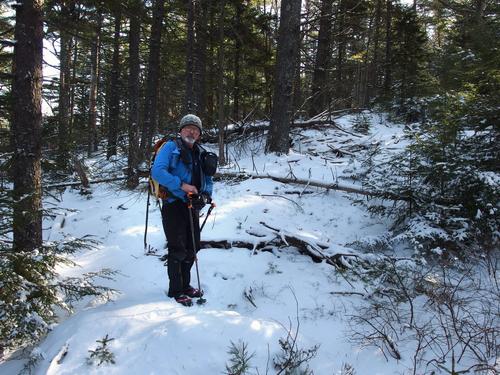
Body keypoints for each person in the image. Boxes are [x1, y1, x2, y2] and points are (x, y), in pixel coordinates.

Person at [151, 114, 213, 306]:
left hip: (192, 205)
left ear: (199, 134)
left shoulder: (200, 152)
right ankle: (176, 290)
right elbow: (157, 171)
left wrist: (206, 195)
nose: (191, 131)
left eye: (196, 129)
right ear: (181, 130)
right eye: (188, 128)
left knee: (192, 246)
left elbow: (208, 179)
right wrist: (182, 185)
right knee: (177, 248)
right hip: (173, 203)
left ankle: (186, 286)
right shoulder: (171, 147)